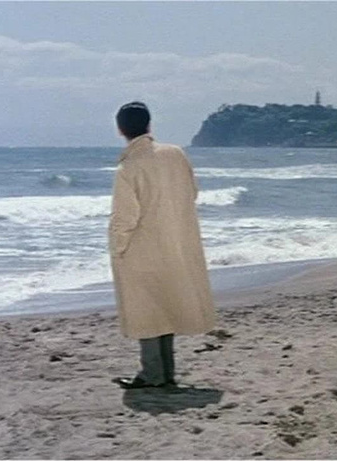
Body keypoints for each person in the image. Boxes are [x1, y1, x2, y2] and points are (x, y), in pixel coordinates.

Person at [109, 101, 217, 389]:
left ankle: (153, 374)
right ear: (149, 125)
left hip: (142, 246)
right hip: (175, 241)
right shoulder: (175, 154)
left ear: (120, 130)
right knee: (166, 305)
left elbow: (125, 217)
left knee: (148, 310)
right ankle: (165, 371)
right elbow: (192, 192)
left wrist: (118, 248)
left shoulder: (128, 167)